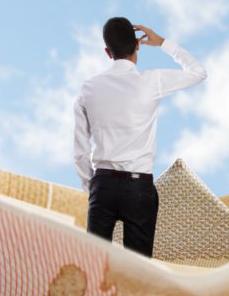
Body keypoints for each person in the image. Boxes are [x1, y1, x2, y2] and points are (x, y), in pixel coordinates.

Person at [73, 17, 207, 257]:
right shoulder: (151, 81)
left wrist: (92, 188)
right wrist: (163, 43)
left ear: (107, 52)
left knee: (94, 268)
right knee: (139, 275)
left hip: (102, 185)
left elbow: (80, 151)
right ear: (137, 45)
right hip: (138, 187)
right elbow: (198, 73)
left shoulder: (88, 88)